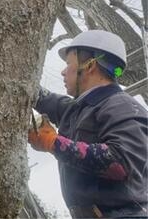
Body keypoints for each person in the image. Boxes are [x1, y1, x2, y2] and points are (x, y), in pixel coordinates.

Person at [28, 30, 148, 218]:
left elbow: (120, 163)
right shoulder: (78, 109)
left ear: (90, 65)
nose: (63, 70)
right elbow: (43, 98)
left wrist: (53, 143)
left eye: (68, 64)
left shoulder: (122, 106)